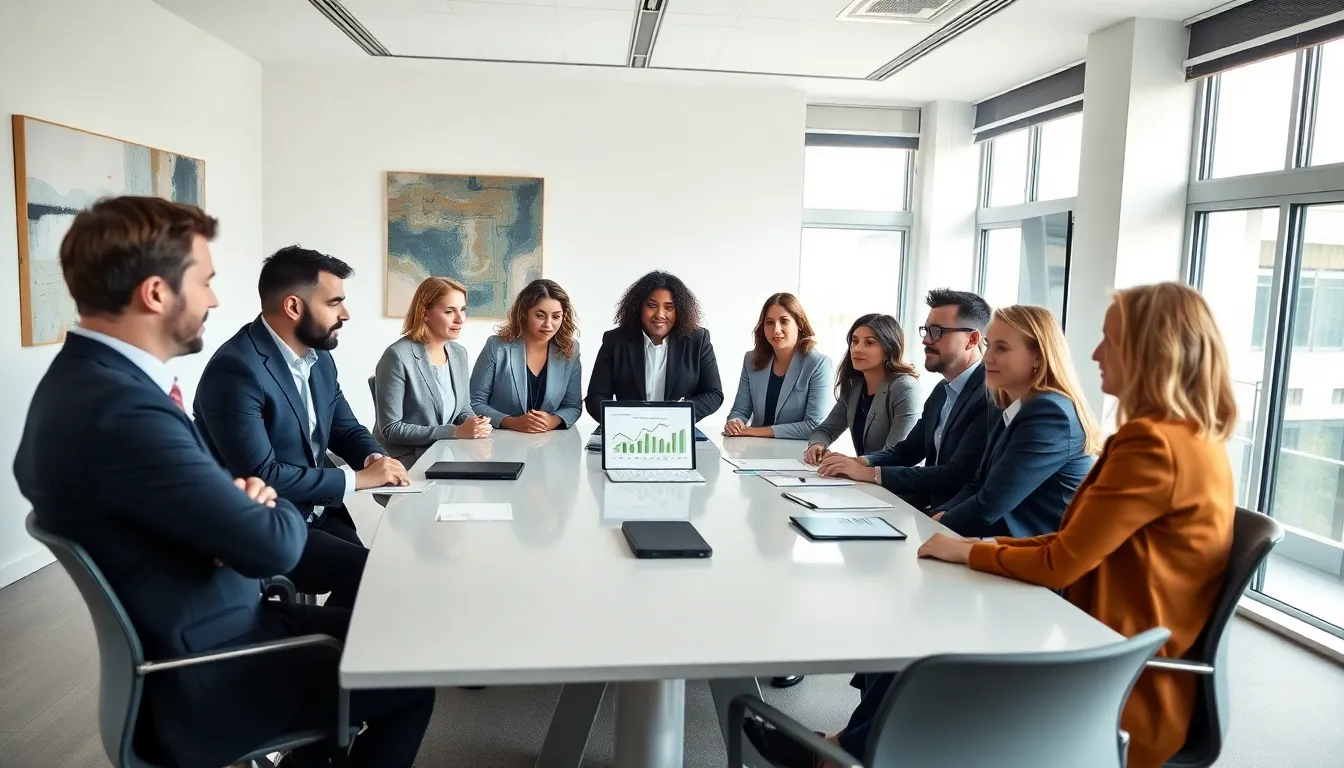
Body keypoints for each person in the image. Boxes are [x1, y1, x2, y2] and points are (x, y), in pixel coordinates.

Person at [14, 196, 433, 768]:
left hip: (225, 621)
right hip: (211, 669)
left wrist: (243, 514)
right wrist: (261, 508)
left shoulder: (88, 384)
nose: (214, 299)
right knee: (410, 674)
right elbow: (273, 544)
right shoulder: (124, 411)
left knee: (394, 629)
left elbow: (223, 513)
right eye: (205, 282)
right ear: (156, 293)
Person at [915, 283, 1238, 768]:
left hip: (1113, 682)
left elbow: (1060, 563)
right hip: (1111, 654)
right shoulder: (1193, 438)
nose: (1095, 353)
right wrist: (973, 546)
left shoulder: (1152, 445)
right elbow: (1073, 541)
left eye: (1111, 340)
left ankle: (850, 752)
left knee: (936, 673)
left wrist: (969, 550)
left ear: (1154, 351)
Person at [195, 246, 408, 610]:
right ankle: (326, 640)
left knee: (381, 577)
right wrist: (358, 479)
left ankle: (334, 638)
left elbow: (346, 429)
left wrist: (374, 457)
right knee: (375, 577)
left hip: (318, 512)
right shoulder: (236, 370)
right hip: (267, 523)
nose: (345, 313)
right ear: (294, 307)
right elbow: (263, 475)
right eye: (334, 302)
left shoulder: (319, 358)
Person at [924, 304, 1099, 539]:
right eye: (988, 345)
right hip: (1007, 544)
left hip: (1042, 553)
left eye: (1002, 348)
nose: (987, 357)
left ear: (1038, 356)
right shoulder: (1011, 405)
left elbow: (988, 506)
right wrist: (936, 518)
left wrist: (935, 528)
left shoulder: (1049, 413)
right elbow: (977, 484)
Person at [816, 289, 991, 511]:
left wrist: (870, 473)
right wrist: (860, 462)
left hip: (957, 517)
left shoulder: (988, 396)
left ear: (972, 339)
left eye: (937, 331)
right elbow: (908, 451)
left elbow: (956, 474)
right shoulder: (942, 390)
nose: (926, 340)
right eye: (926, 330)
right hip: (930, 509)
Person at [374, 276, 491, 466]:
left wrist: (476, 424)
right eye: (449, 311)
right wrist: (454, 432)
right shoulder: (397, 356)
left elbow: (463, 408)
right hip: (404, 460)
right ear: (425, 313)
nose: (460, 319)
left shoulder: (459, 353)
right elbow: (391, 429)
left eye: (462, 310)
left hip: (445, 453)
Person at [584, 270, 723, 425]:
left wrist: (678, 413)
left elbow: (713, 394)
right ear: (638, 307)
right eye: (651, 306)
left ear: (679, 311)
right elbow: (595, 398)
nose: (660, 315)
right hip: (628, 431)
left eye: (669, 307)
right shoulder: (615, 341)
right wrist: (625, 419)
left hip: (677, 430)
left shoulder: (698, 340)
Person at [802, 314, 920, 464]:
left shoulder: (905, 388)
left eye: (869, 343)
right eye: (855, 341)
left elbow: (896, 455)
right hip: (863, 475)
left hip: (893, 477)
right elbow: (826, 430)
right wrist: (817, 445)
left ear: (888, 349)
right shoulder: (855, 386)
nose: (857, 349)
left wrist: (850, 463)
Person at [470, 278, 583, 433]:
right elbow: (475, 402)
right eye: (540, 315)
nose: (548, 324)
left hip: (549, 441)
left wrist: (552, 420)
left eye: (556, 316)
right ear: (524, 314)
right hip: (499, 440)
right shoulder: (497, 346)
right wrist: (512, 422)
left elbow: (573, 406)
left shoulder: (570, 350)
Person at [723, 293, 832, 440]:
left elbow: (814, 425)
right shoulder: (751, 360)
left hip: (796, 451)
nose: (776, 329)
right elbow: (740, 411)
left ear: (799, 324)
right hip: (754, 449)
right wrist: (734, 423)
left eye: (784, 321)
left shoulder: (818, 364)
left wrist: (753, 432)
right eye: (769, 322)